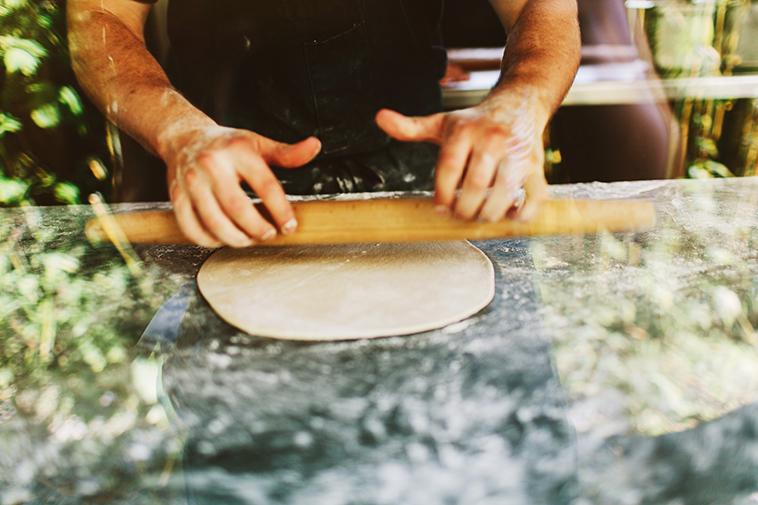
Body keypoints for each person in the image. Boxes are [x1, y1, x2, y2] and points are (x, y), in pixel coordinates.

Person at [68, 0, 580, 248]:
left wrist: (523, 101)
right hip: (223, 193)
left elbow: (544, 9)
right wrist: (177, 130)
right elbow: (98, 18)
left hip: (428, 197)